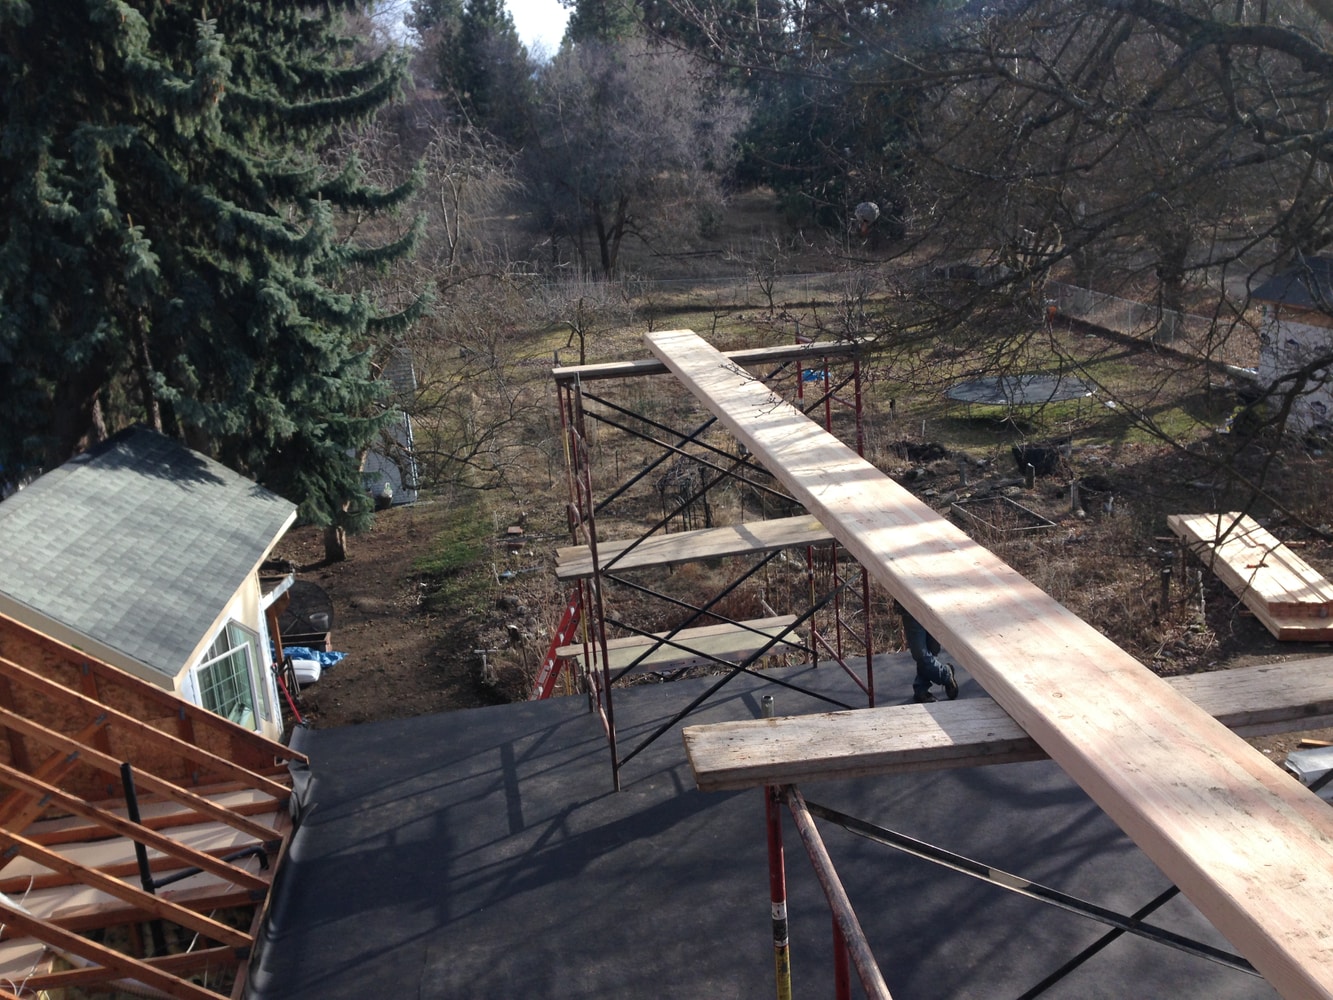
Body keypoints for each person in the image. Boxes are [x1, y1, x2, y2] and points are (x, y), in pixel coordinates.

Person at [894, 601, 958, 704]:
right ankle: (945, 674)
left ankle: (921, 689)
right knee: (920, 652)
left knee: (932, 649)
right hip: (911, 605)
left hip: (936, 603)